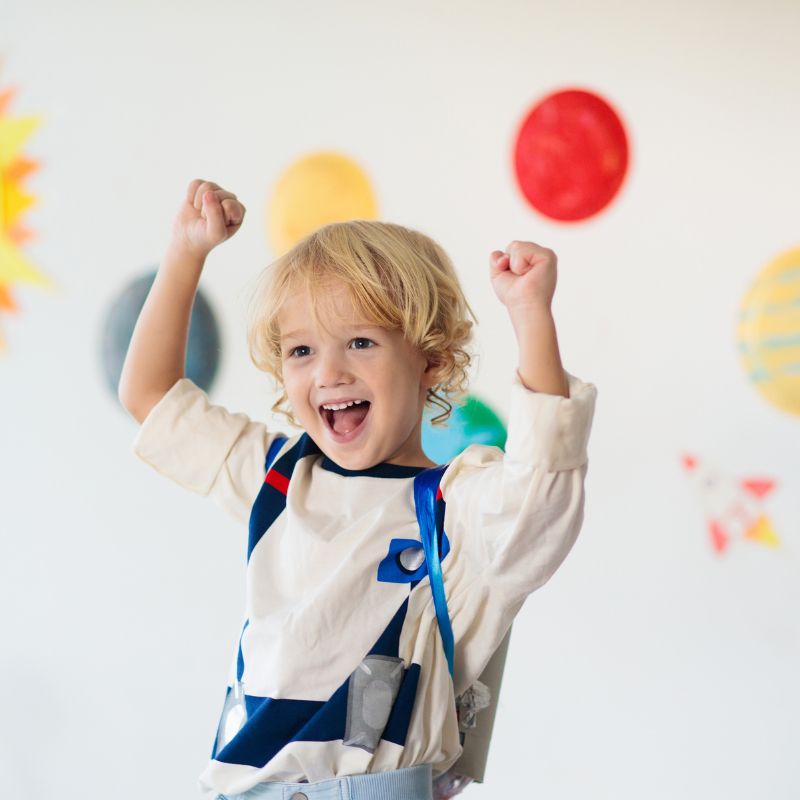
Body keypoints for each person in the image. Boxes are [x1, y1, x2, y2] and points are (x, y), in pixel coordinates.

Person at [118, 178, 597, 800]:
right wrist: (186, 252)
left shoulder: (459, 511)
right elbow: (152, 398)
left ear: (431, 359)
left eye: (362, 342)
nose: (329, 372)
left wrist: (532, 315)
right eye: (300, 351)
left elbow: (542, 491)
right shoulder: (280, 479)